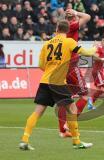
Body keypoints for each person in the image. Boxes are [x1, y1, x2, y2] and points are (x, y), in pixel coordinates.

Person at [19, 20, 97, 150]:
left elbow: (41, 65)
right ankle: (76, 142)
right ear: (67, 31)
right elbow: (87, 53)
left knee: (37, 112)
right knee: (72, 110)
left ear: (56, 29)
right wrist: (96, 47)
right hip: (58, 83)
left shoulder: (47, 43)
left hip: (45, 81)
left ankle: (24, 140)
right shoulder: (69, 42)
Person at [57, 9, 91, 138]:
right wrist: (76, 12)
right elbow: (87, 16)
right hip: (71, 65)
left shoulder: (58, 31)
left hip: (60, 67)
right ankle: (69, 124)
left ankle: (62, 130)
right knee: (84, 96)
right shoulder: (72, 25)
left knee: (65, 100)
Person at [87, 38, 104, 110]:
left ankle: (90, 104)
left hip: (98, 71)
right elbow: (94, 57)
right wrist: (103, 60)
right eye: (103, 41)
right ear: (101, 41)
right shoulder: (100, 48)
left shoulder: (103, 50)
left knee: (99, 89)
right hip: (97, 71)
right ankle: (90, 100)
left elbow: (102, 59)